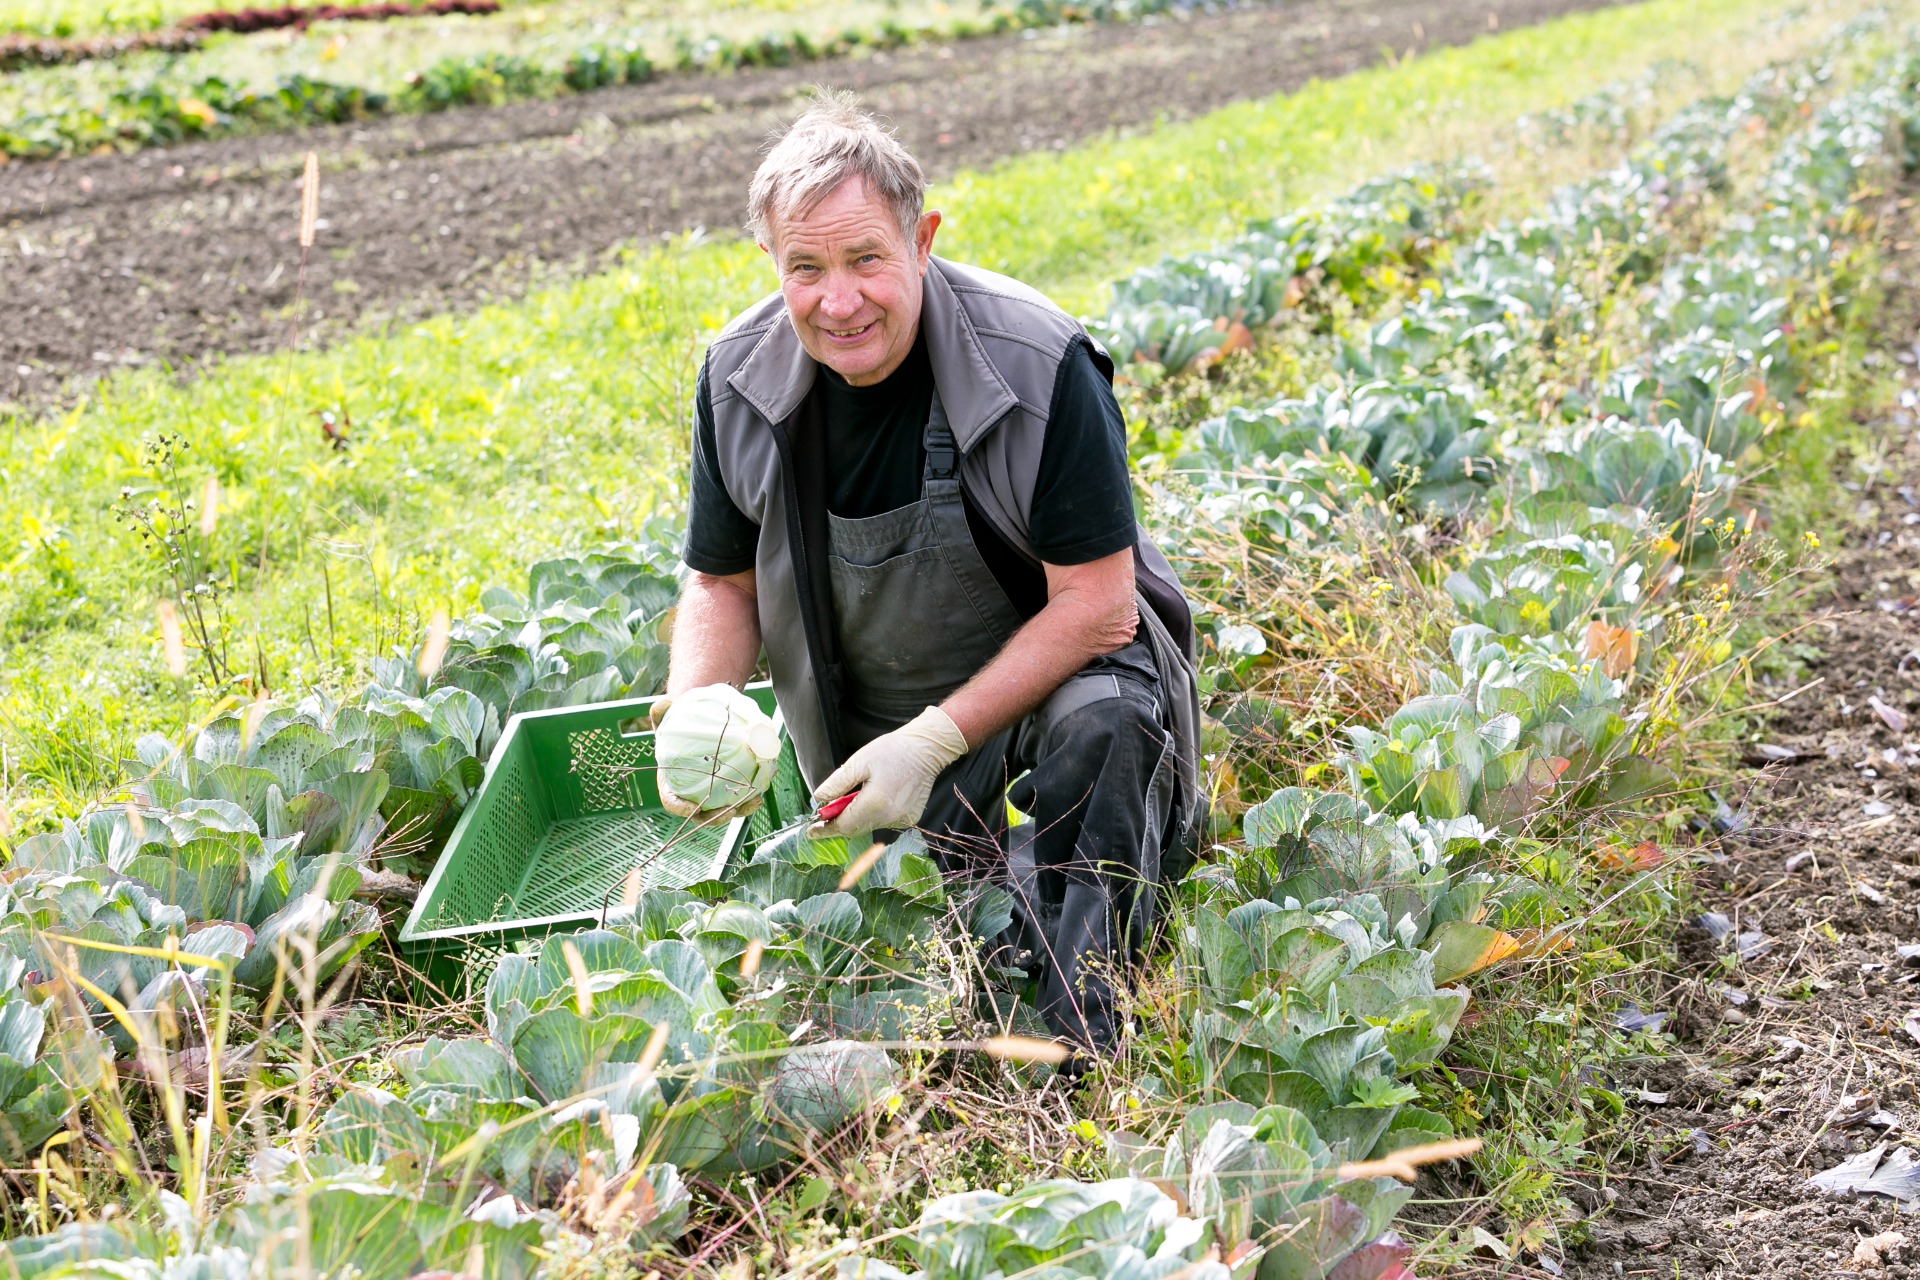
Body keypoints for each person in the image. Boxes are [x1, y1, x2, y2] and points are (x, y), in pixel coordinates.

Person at [652, 92, 1200, 1051]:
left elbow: (1100, 604)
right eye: (805, 268)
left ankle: (1086, 1029)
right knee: (945, 937)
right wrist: (698, 701)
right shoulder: (737, 379)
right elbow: (721, 584)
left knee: (1106, 725)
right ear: (772, 265)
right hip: (872, 737)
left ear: (922, 239)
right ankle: (991, 897)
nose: (840, 300)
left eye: (867, 258)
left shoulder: (1036, 362)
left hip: (1046, 682)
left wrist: (935, 738)